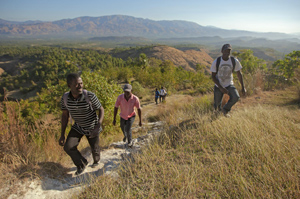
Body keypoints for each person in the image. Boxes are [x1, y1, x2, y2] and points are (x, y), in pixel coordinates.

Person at [59, 73, 104, 175]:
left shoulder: (90, 95)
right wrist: (62, 135)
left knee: (95, 149)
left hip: (93, 126)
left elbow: (101, 109)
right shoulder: (65, 99)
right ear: (69, 85)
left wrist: (98, 126)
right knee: (68, 147)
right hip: (78, 126)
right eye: (76, 84)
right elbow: (65, 116)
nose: (80, 86)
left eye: (81, 83)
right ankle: (81, 163)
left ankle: (96, 161)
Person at [210, 44, 246, 117]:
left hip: (229, 84)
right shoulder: (217, 61)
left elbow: (239, 74)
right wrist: (220, 87)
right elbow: (213, 76)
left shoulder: (234, 61)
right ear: (222, 51)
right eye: (225, 51)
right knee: (216, 105)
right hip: (218, 86)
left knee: (236, 97)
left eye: (229, 51)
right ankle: (217, 115)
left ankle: (225, 110)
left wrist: (243, 87)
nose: (227, 52)